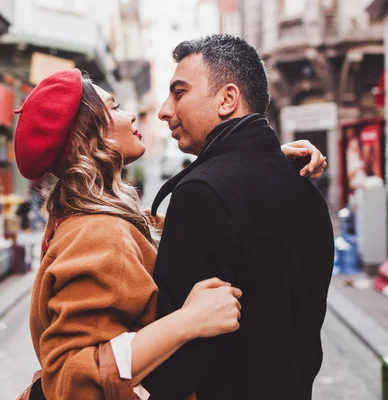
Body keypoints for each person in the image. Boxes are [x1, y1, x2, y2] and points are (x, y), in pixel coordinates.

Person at [14, 69, 327, 400]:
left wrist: (259, 160)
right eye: (115, 106)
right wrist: (188, 321)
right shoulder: (100, 232)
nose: (132, 113)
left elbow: (163, 230)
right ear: (91, 133)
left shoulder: (94, 216)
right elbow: (69, 381)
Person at [143, 35, 334, 400]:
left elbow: (178, 365)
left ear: (227, 99)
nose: (165, 110)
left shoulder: (200, 195)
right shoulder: (305, 189)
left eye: (179, 93)